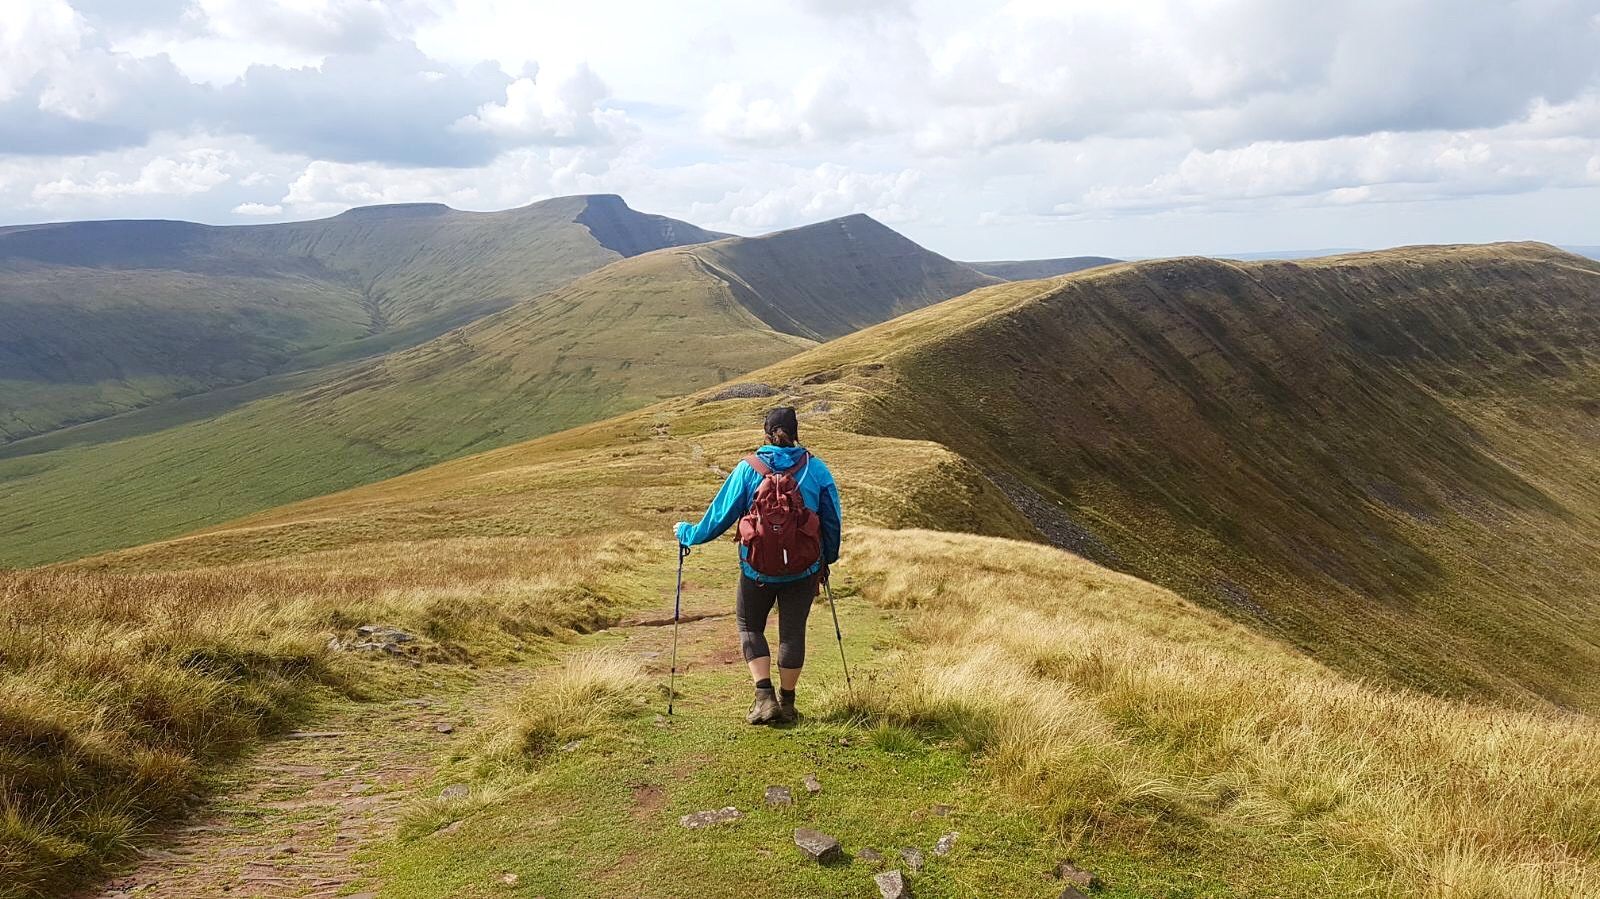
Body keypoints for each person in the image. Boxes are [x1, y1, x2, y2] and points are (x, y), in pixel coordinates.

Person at [674, 406, 842, 725]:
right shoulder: (817, 470)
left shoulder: (748, 469)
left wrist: (687, 534)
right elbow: (831, 520)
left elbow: (718, 517)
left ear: (765, 433)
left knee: (750, 626)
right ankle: (788, 705)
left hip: (757, 571)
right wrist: (827, 560)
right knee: (793, 633)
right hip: (803, 569)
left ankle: (764, 699)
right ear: (796, 433)